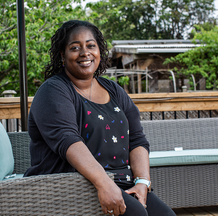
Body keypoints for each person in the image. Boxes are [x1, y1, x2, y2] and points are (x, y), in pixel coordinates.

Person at [24, 20, 176, 216]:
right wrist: (104, 183)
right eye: (75, 47)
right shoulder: (53, 90)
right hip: (70, 183)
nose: (84, 53)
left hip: (122, 181)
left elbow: (137, 140)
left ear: (99, 51)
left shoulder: (113, 89)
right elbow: (68, 141)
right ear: (63, 55)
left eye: (90, 46)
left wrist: (142, 183)